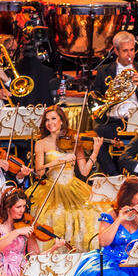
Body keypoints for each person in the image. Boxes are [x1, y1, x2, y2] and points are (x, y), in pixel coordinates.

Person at [29, 105, 102, 252]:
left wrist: (95, 152)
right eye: (47, 120)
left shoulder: (74, 141)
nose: (50, 123)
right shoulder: (41, 144)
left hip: (73, 186)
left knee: (92, 212)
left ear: (62, 121)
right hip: (51, 186)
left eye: (53, 119)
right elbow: (39, 172)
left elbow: (84, 171)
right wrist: (58, 161)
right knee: (51, 214)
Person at [91, 31, 138, 175]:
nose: (130, 55)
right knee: (95, 137)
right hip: (114, 121)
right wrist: (111, 95)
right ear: (116, 51)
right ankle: (114, 175)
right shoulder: (104, 71)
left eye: (132, 50)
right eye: (125, 51)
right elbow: (96, 97)